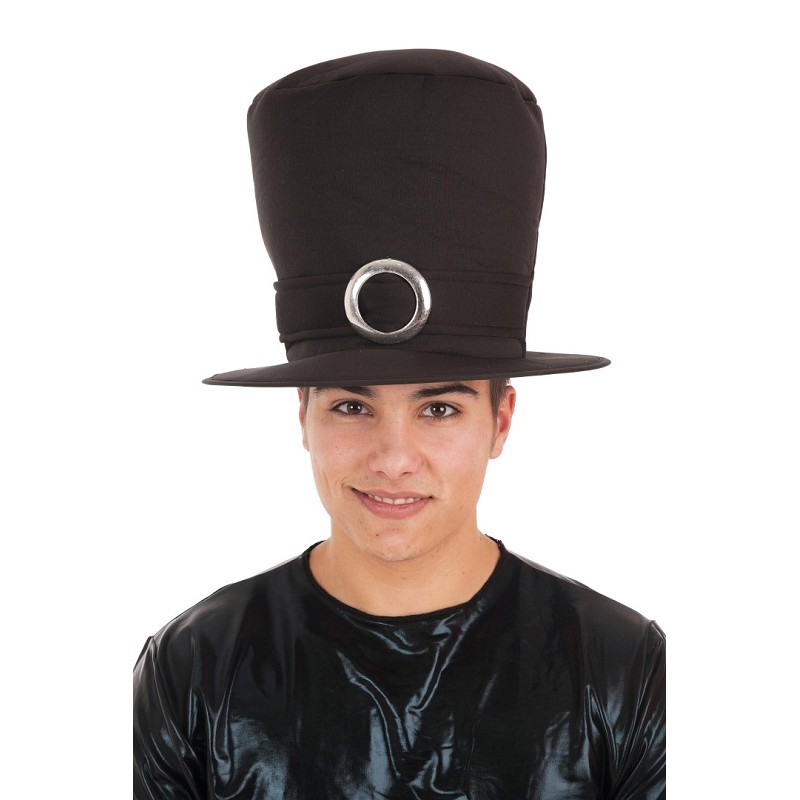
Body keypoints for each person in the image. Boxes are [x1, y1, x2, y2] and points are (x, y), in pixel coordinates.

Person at [133, 49, 665, 799]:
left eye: (438, 408)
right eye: (352, 406)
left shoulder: (622, 672)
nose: (393, 457)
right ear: (303, 415)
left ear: (501, 421)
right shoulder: (193, 671)